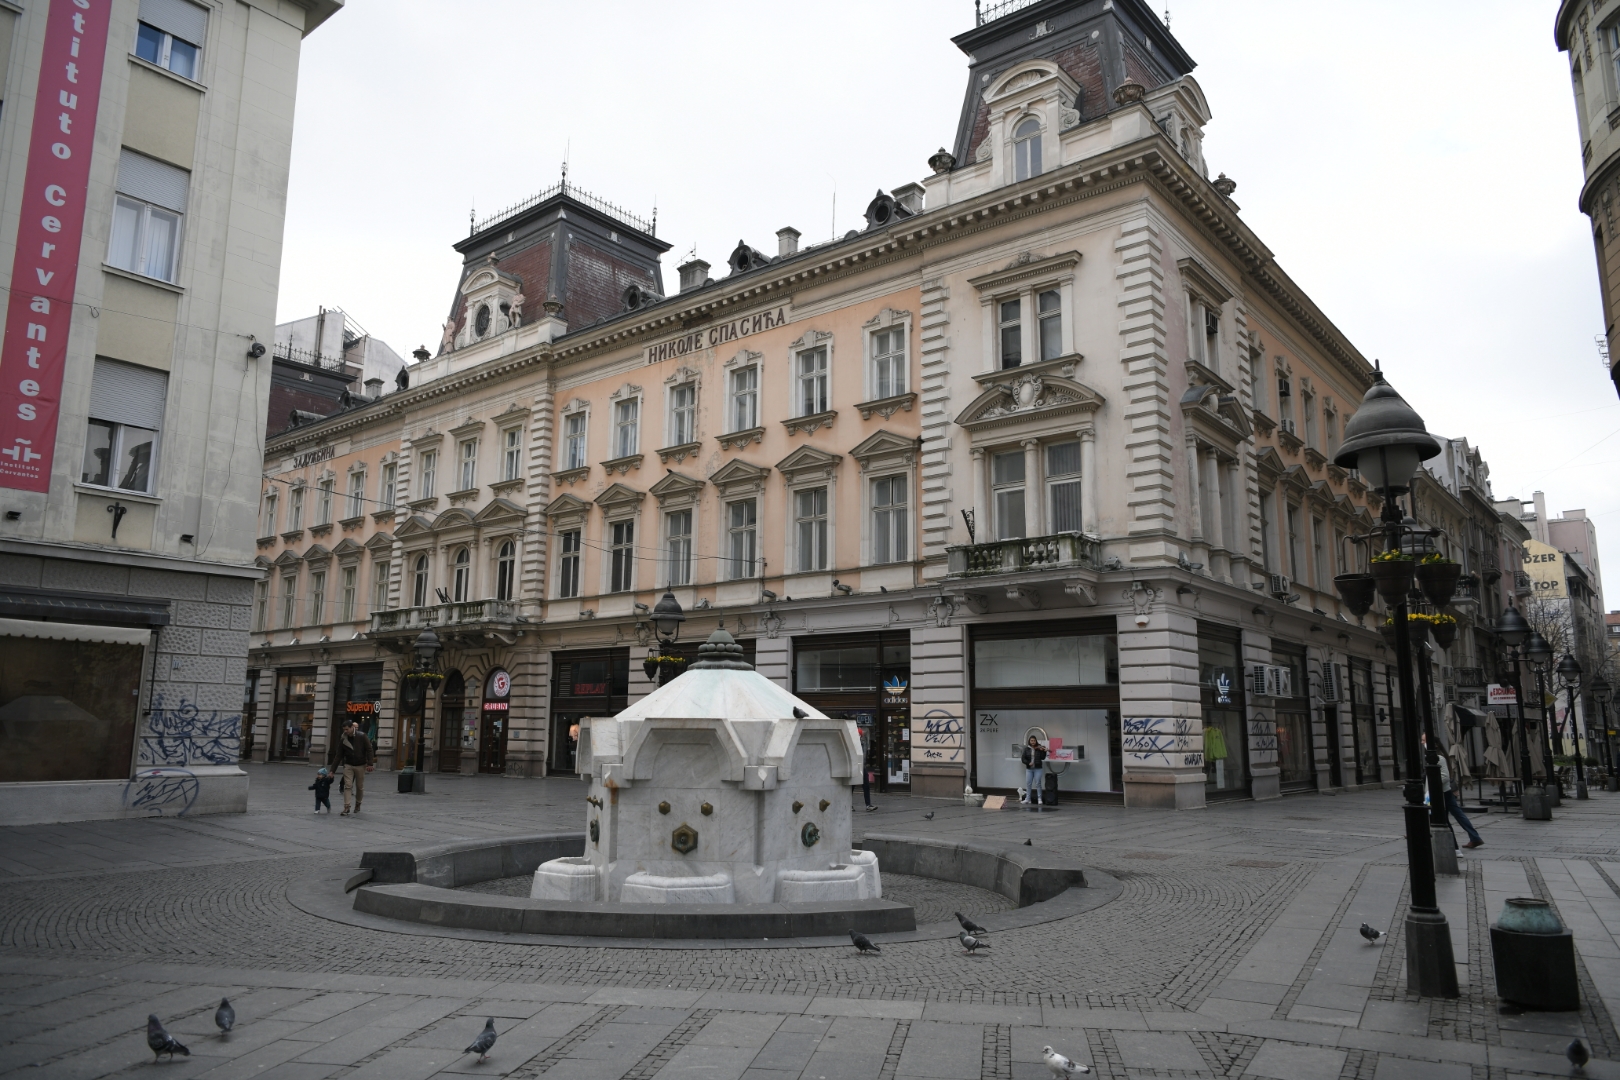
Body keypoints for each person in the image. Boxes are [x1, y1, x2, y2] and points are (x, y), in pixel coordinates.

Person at [1425, 734, 1483, 850]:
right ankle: (1474, 837)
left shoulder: (1438, 758)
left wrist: (1432, 784)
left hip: (1442, 791)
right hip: (1446, 791)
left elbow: (1444, 777)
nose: (1422, 743)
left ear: (1434, 744)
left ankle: (1455, 846)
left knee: (1441, 817)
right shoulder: (1438, 756)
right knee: (1456, 815)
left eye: (1424, 740)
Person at [329, 720, 374, 816]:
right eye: (344, 729)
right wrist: (332, 770)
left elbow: (369, 749)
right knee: (348, 786)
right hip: (348, 765)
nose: (345, 731)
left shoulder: (362, 736)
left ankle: (358, 803)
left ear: (352, 727)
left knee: (359, 786)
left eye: (347, 729)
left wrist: (370, 763)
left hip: (361, 765)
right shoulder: (343, 739)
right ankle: (346, 807)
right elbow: (338, 755)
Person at [1021, 735, 1047, 807]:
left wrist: (1044, 752)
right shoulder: (1026, 749)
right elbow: (1023, 759)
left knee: (1038, 783)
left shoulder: (1039, 748)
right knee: (1028, 784)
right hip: (1029, 769)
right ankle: (1027, 799)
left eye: (1034, 740)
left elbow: (1043, 758)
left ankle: (1039, 799)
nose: (1033, 742)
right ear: (1029, 741)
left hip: (1038, 768)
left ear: (1036, 741)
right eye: (1031, 740)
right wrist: (1028, 763)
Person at [857, 723, 876, 812]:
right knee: (852, 786)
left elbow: (864, 754)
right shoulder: (855, 744)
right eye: (860, 735)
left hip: (862, 765)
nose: (861, 736)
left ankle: (868, 805)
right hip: (856, 765)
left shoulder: (863, 743)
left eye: (861, 735)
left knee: (866, 785)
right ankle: (849, 805)